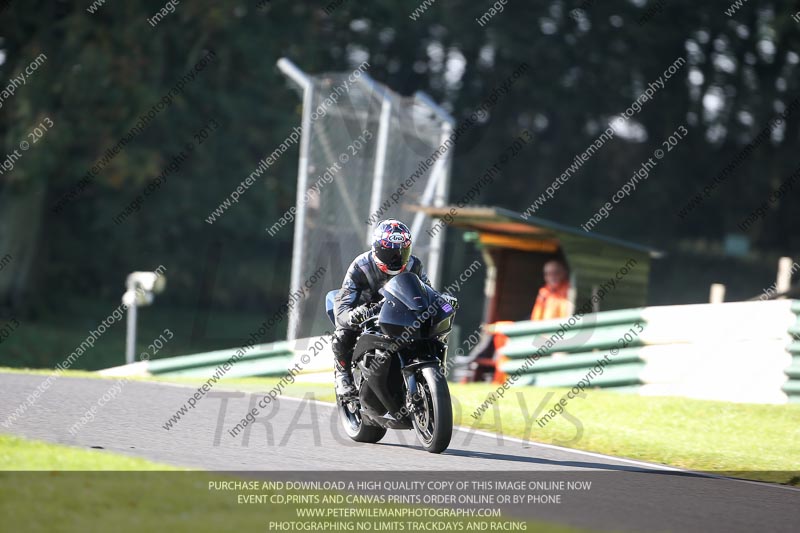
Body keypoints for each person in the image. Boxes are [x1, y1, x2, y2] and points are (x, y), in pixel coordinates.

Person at [332, 219, 451, 396]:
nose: (397, 259)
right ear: (377, 249)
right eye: (391, 253)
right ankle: (343, 375)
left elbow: (427, 292)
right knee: (344, 332)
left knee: (432, 325)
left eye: (402, 252)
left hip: (399, 310)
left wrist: (444, 303)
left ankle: (432, 370)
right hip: (367, 312)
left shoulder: (413, 264)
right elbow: (342, 303)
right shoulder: (360, 265)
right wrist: (352, 315)